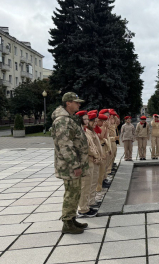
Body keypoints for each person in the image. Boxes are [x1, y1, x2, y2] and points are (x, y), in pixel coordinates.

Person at [51, 92, 88, 234]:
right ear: (68, 103)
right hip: (69, 166)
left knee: (75, 192)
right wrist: (75, 165)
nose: (79, 104)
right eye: (76, 102)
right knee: (71, 194)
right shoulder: (62, 121)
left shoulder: (69, 119)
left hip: (73, 164)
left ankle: (72, 219)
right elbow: (65, 145)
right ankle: (67, 223)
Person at [78, 111, 102, 218]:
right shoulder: (81, 132)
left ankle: (87, 205)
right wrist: (96, 155)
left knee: (89, 184)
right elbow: (87, 148)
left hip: (91, 160)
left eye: (88, 119)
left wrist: (96, 155)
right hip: (86, 161)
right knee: (85, 186)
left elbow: (92, 146)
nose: (87, 121)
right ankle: (83, 209)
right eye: (85, 119)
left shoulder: (85, 131)